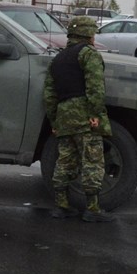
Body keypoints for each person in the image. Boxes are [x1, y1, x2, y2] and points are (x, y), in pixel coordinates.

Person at [43, 15, 115, 223]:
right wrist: (96, 114)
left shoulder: (57, 59)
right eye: (93, 33)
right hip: (84, 115)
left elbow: (49, 94)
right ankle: (92, 209)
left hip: (64, 117)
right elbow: (95, 88)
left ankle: (61, 206)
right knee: (92, 160)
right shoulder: (89, 54)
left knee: (65, 161)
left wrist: (55, 121)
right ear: (88, 35)